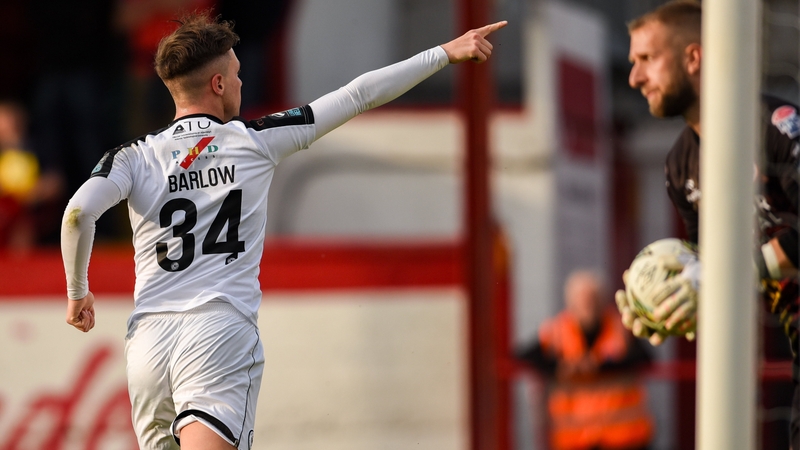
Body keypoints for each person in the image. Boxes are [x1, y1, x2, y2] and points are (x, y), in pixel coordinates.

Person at [59, 11, 507, 450]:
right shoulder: (255, 140)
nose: (239, 81)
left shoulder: (133, 156)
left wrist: (77, 291)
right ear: (217, 84)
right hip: (217, 331)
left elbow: (78, 213)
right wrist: (445, 53)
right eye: (234, 73)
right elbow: (358, 95)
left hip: (148, 345)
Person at [619, 1, 799, 448]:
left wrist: (740, 272)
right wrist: (666, 307)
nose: (634, 79)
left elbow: (737, 273)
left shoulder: (778, 127)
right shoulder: (681, 167)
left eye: (647, 59)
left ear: (693, 58)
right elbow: (717, 275)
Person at [517, 270, 654, 450]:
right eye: (582, 299)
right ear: (570, 302)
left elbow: (643, 358)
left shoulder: (620, 328)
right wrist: (560, 367)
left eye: (592, 299)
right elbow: (525, 356)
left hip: (624, 438)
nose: (588, 305)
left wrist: (599, 366)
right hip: (575, 439)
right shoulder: (557, 331)